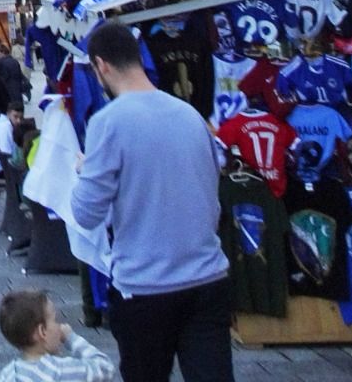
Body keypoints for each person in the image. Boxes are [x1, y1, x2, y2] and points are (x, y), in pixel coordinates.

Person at [70, 21, 231, 382]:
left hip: (145, 287)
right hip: (207, 279)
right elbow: (212, 195)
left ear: (101, 66)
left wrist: (84, 171)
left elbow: (86, 213)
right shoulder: (191, 116)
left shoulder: (107, 122)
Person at [0, 290, 116, 382]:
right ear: (42, 331)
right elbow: (105, 367)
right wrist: (71, 338)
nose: (60, 326)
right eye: (55, 320)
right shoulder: (61, 369)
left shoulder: (7, 374)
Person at [0, 103, 25, 176]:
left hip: (4, 165)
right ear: (8, 114)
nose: (18, 121)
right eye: (15, 117)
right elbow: (6, 154)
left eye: (21, 118)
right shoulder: (5, 128)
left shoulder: (7, 125)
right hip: (1, 168)